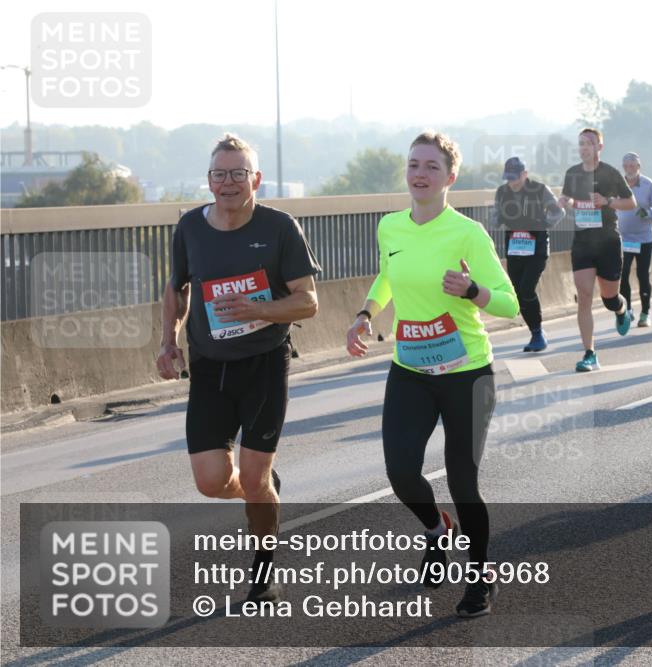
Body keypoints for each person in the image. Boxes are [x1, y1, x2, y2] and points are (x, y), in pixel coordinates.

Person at [346, 131, 518, 617]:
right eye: (413, 165)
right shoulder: (391, 227)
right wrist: (365, 313)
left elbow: (509, 303)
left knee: (464, 481)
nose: (419, 174)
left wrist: (472, 290)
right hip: (411, 370)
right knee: (401, 472)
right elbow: (386, 276)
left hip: (467, 372)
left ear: (450, 178)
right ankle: (437, 530)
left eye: (431, 167)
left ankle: (480, 579)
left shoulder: (467, 234)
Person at [157, 133, 321, 604]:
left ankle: (263, 568)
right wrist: (168, 339)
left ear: (256, 180)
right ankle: (262, 489)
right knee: (211, 482)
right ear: (209, 181)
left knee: (252, 476)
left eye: (238, 174)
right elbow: (178, 287)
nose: (228, 183)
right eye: (219, 175)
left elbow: (308, 303)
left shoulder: (279, 227)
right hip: (209, 367)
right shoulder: (190, 226)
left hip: (265, 365)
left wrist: (258, 309)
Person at [557, 128, 638, 372]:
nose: (584, 148)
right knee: (584, 298)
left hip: (608, 242)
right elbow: (567, 198)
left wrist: (607, 202)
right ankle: (589, 353)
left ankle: (622, 309)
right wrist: (564, 203)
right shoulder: (572, 173)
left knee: (609, 298)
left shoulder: (610, 173)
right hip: (582, 242)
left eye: (589, 144)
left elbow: (631, 203)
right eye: (581, 143)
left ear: (599, 147)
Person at [492, 156, 565, 351]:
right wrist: (498, 219)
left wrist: (544, 225)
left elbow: (559, 212)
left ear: (525, 174)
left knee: (526, 289)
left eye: (515, 177)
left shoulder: (540, 190)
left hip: (537, 249)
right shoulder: (501, 192)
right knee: (518, 292)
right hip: (514, 248)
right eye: (508, 178)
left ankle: (538, 334)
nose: (512, 182)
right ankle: (535, 333)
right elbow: (495, 217)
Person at [618, 152, 652, 328]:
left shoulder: (648, 184)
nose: (630, 169)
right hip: (624, 239)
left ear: (639, 167)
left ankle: (645, 313)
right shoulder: (617, 185)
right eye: (627, 166)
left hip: (644, 238)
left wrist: (648, 213)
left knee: (642, 275)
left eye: (633, 166)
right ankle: (627, 311)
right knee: (622, 276)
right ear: (623, 167)